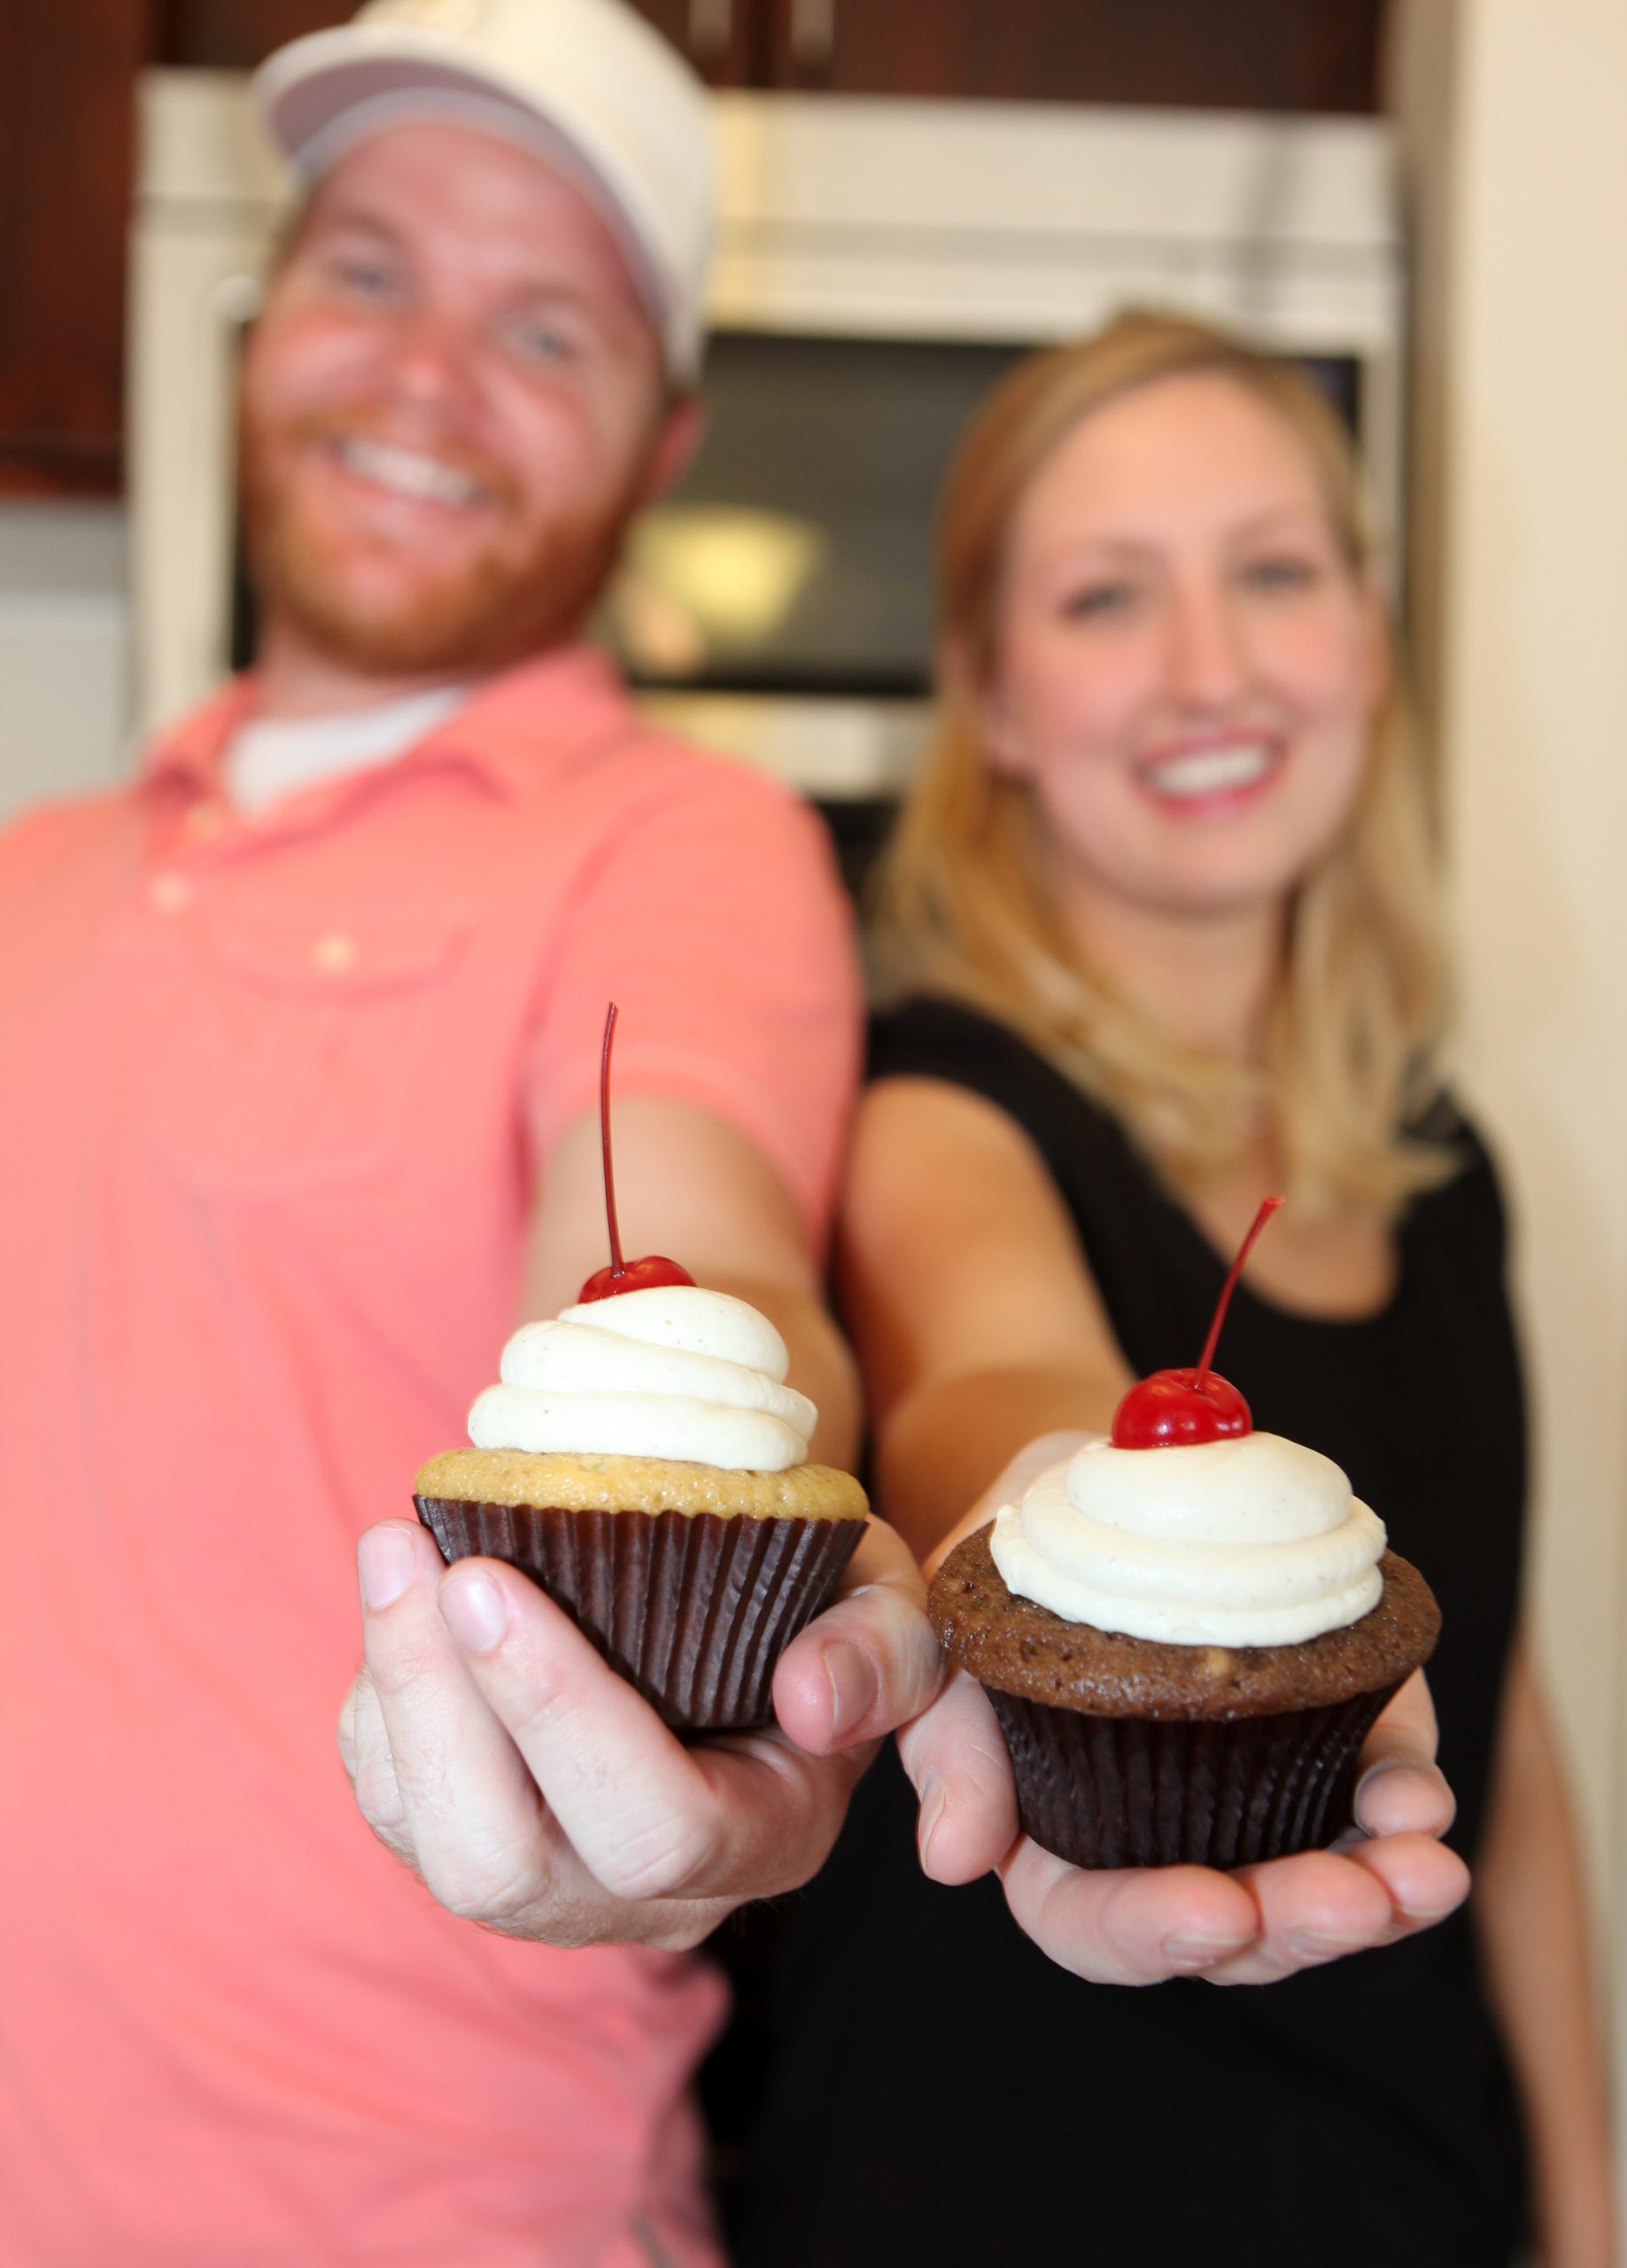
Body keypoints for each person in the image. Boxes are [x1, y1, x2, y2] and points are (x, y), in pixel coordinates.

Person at [0, 4, 945, 2260]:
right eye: (370, 272)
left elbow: (691, 1258)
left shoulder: (676, 850)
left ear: (663, 441)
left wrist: (734, 1628)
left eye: (542, 326)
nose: (425, 378)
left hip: (426, 2200)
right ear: (266, 318)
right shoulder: (35, 875)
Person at [717, 315, 1617, 2267]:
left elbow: (1505, 1724)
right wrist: (1047, 1498)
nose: (1210, 669)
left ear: (1370, 635)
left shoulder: (1446, 1163)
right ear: (997, 700)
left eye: (1273, 572)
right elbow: (997, 1369)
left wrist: (1593, 2214)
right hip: (976, 2203)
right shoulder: (932, 1109)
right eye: (1109, 597)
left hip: (1408, 2198)